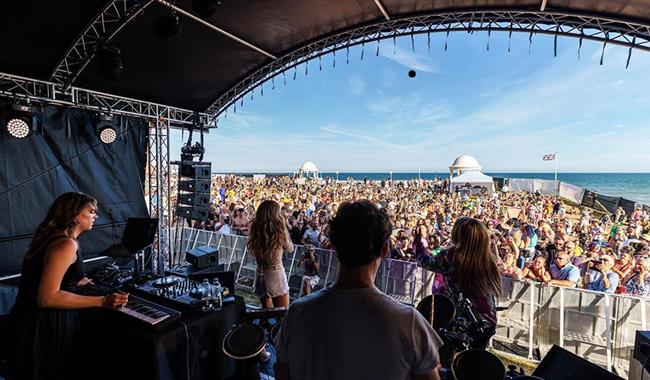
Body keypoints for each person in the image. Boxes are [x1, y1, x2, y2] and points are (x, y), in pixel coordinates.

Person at [275, 200, 442, 380]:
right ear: (385, 249)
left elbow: (282, 373)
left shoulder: (297, 313)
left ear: (333, 245)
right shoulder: (408, 322)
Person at [8, 192, 129, 380]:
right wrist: (102, 300)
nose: (95, 216)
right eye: (91, 211)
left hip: (27, 319)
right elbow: (47, 297)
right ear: (74, 214)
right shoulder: (65, 245)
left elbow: (47, 274)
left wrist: (79, 281)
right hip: (45, 324)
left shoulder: (52, 238)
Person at [414, 216, 501, 350]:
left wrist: (419, 241)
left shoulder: (452, 257)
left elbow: (425, 261)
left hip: (463, 323)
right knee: (474, 361)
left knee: (453, 360)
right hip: (487, 321)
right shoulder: (487, 257)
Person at [247, 200, 294, 309]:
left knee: (267, 312)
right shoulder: (278, 230)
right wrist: (284, 227)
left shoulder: (255, 227)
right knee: (282, 314)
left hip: (260, 274)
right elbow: (290, 248)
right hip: (275, 273)